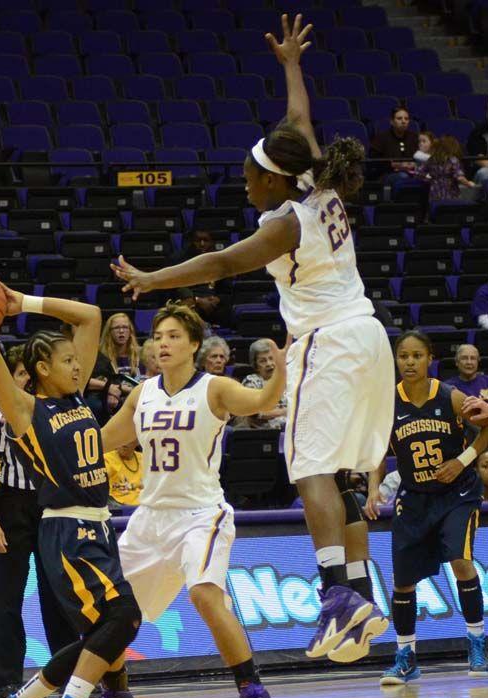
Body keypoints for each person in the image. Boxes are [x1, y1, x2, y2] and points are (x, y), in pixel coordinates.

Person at [111, 14, 395, 663]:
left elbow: (216, 266)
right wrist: (292, 64)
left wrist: (153, 279)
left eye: (249, 176)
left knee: (307, 466)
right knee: (341, 473)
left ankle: (334, 599)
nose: (245, 184)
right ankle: (356, 598)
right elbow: (298, 122)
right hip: (369, 334)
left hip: (329, 340)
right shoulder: (316, 180)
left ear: (273, 180)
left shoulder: (286, 223)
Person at [0, 285, 141, 698]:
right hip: (67, 529)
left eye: (78, 359)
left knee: (98, 633)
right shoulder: (25, 410)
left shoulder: (75, 399)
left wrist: (21, 301)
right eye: (67, 360)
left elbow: (91, 314)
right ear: (42, 369)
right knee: (124, 617)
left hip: (96, 526)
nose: (78, 366)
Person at [93, 301, 286, 698]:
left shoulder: (214, 388)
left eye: (174, 336)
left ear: (194, 344)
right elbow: (100, 442)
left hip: (201, 513)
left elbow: (261, 401)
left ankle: (253, 692)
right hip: (150, 517)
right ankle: (116, 693)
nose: (163, 343)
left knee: (204, 595)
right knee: (112, 609)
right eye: (158, 336)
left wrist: (281, 372)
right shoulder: (143, 393)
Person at [366, 331, 488, 683]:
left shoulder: (450, 396)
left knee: (461, 561)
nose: (409, 362)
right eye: (403, 356)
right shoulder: (387, 403)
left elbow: (487, 427)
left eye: (416, 356)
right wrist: (375, 487)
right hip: (415, 497)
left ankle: (476, 641)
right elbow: (378, 451)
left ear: (429, 358)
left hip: (458, 494)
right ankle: (406, 657)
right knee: (403, 582)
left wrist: (463, 461)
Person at [0, 343, 78, 698]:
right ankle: (6, 680)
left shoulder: (53, 412)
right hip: (13, 507)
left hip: (50, 505)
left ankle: (68, 675)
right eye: (16, 374)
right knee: (8, 598)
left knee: (59, 595)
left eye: (25, 374)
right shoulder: (1, 417)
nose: (22, 380)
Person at [237, 337, 288, 430]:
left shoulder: (288, 380)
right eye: (263, 361)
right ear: (255, 365)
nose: (269, 363)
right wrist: (284, 412)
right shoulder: (251, 381)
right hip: (265, 433)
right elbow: (254, 413)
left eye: (271, 358)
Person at [414, 136, 475, 202]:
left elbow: (418, 173)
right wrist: (469, 184)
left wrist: (430, 179)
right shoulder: (453, 160)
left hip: (434, 194)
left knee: (437, 210)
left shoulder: (431, 160)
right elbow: (459, 177)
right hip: (451, 195)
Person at [369, 107, 419, 183]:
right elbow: (374, 162)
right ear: (392, 122)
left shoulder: (414, 138)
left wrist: (414, 164)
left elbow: (423, 157)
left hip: (413, 172)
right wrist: (392, 165)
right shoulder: (381, 138)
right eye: (399, 118)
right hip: (388, 174)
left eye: (406, 119)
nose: (403, 121)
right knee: (403, 176)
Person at [104, 440, 143, 508]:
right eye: (121, 439)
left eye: (128, 440)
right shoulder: (107, 458)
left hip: (143, 506)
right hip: (117, 507)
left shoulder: (144, 459)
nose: (124, 444)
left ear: (137, 442)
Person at [465, 99, 488, 185]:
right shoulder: (478, 133)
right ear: (487, 113)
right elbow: (479, 159)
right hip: (485, 168)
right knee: (485, 173)